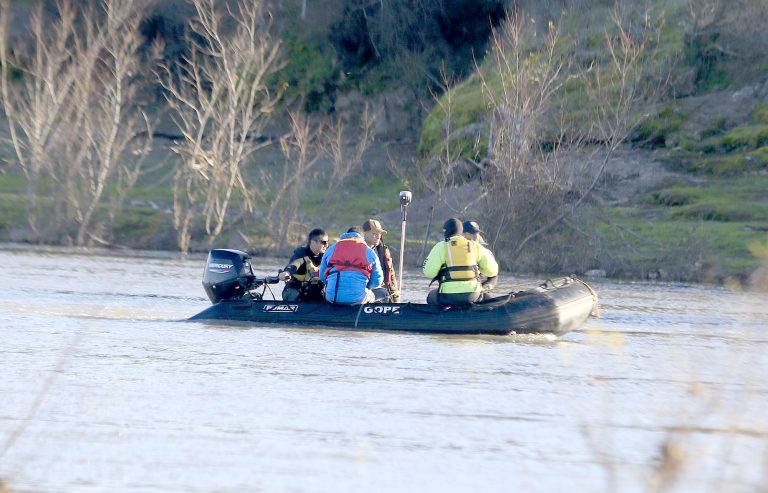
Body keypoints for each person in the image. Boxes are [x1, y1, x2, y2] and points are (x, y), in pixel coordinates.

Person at [422, 218, 499, 306]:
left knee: (430, 296)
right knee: (485, 297)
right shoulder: (476, 246)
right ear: (461, 231)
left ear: (446, 232)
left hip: (448, 297)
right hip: (472, 296)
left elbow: (429, 273)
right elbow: (493, 271)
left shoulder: (440, 246)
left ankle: (443, 316)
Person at [319, 229, 384, 305]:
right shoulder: (369, 251)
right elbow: (377, 281)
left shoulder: (331, 249)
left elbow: (322, 276)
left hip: (332, 298)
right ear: (361, 237)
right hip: (358, 299)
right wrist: (367, 287)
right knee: (382, 292)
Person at [278, 228, 328, 301]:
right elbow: (293, 265)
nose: (326, 245)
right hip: (295, 291)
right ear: (313, 242)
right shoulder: (301, 254)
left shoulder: (327, 256)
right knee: (294, 294)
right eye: (323, 242)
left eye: (327, 242)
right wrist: (287, 272)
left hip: (313, 291)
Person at [362, 219, 399, 302]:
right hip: (362, 294)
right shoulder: (357, 251)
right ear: (364, 234)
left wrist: (396, 301)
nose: (378, 236)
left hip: (381, 295)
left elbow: (392, 278)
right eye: (374, 233)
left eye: (380, 234)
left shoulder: (383, 251)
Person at [462, 220, 498, 294]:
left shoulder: (486, 252)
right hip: (459, 287)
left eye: (477, 233)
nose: (475, 236)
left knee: (494, 276)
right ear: (463, 234)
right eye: (471, 233)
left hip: (477, 289)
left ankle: (483, 292)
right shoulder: (453, 250)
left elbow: (493, 274)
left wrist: (486, 286)